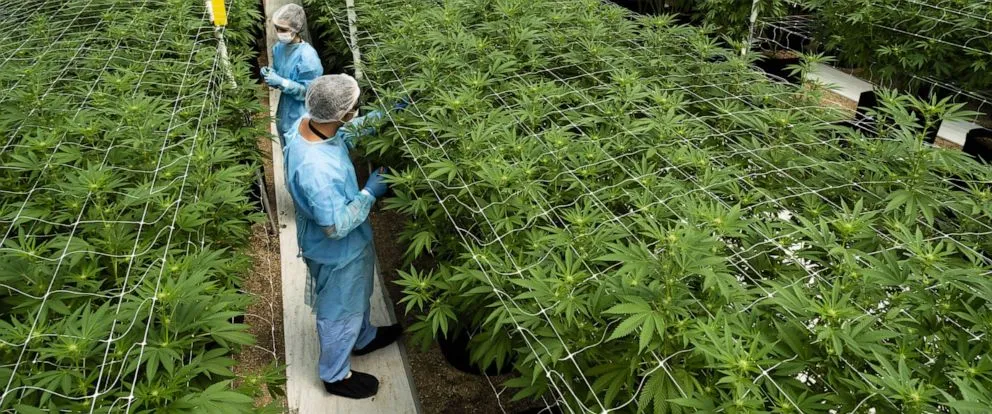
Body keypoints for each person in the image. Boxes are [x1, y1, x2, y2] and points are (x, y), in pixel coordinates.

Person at [283, 74, 406, 399]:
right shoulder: (317, 171)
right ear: (342, 113)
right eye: (354, 106)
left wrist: (385, 115)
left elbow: (345, 133)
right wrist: (369, 192)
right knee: (339, 311)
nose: (355, 110)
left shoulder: (308, 124)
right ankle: (335, 375)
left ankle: (363, 338)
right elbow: (335, 226)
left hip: (346, 245)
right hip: (337, 251)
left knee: (356, 295)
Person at [261, 4, 323, 145]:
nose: (279, 32)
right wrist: (270, 73)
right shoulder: (279, 48)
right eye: (277, 28)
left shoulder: (308, 57)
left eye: (283, 29)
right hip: (285, 108)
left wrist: (282, 82)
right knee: (285, 139)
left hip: (303, 113)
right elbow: (279, 71)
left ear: (296, 29)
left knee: (299, 145)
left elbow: (309, 92)